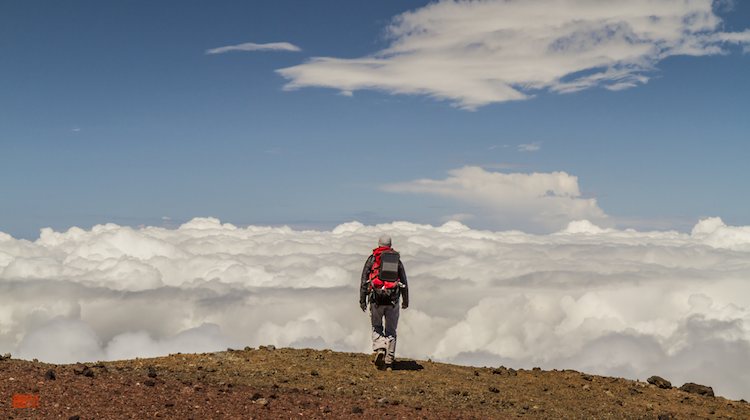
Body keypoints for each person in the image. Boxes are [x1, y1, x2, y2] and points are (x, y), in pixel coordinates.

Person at [360, 234, 408, 370]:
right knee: (391, 330)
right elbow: (404, 280)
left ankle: (380, 348)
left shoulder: (373, 258)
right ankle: (389, 361)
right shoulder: (397, 260)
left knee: (376, 325)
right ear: (390, 245)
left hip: (376, 299)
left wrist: (362, 299)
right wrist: (405, 300)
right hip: (392, 300)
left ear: (379, 244)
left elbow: (364, 280)